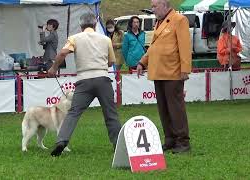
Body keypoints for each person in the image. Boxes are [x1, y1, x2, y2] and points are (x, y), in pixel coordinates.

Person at [48, 12, 122, 157]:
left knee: (73, 113)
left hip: (84, 80)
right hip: (102, 79)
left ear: (81, 26)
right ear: (95, 25)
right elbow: (111, 62)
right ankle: (118, 144)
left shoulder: (74, 38)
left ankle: (61, 141)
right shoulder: (105, 39)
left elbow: (63, 53)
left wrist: (53, 68)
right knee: (110, 113)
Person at [137, 0, 191, 153]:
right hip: (158, 72)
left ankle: (183, 142)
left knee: (176, 109)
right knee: (164, 109)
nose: (152, 9)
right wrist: (142, 62)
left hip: (173, 72)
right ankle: (170, 139)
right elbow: (154, 47)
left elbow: (185, 46)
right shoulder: (159, 22)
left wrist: (185, 70)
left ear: (165, 5)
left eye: (155, 6)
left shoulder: (179, 20)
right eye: (152, 6)